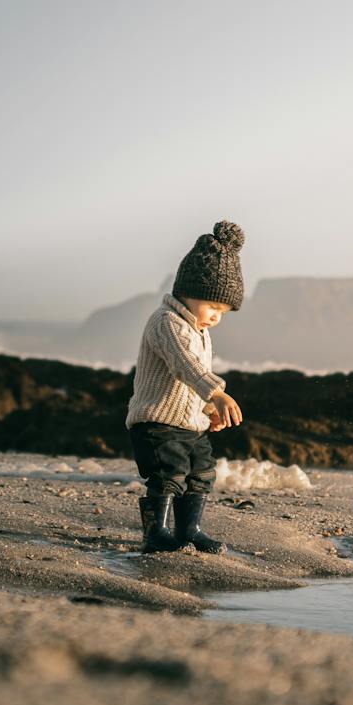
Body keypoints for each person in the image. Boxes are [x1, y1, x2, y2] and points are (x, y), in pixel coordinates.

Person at [125, 220, 245, 554]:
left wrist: (208, 408)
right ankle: (157, 533)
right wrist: (217, 393)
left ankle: (189, 529)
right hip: (157, 422)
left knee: (202, 472)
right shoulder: (166, 322)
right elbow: (186, 366)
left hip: (189, 424)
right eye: (212, 306)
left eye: (223, 311)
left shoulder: (200, 332)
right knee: (169, 474)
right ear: (186, 293)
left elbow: (192, 382)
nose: (216, 316)